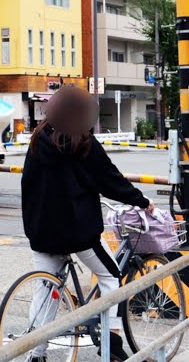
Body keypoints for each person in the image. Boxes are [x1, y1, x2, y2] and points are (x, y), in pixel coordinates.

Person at [21, 85, 151, 362]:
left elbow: (27, 184)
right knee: (111, 276)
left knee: (46, 290)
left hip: (40, 231)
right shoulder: (85, 143)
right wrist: (142, 201)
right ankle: (112, 340)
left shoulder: (37, 139)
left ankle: (36, 353)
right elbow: (110, 180)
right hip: (77, 233)